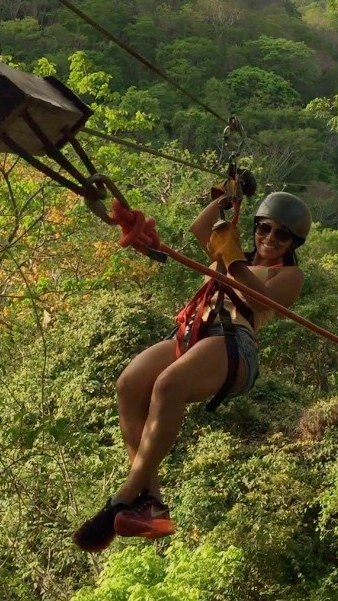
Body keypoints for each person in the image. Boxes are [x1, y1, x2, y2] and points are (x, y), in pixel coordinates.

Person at [72, 190, 312, 552]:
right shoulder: (228, 254)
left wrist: (232, 259)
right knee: (129, 384)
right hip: (192, 332)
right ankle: (151, 501)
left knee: (168, 385)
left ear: (293, 243)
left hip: (233, 342)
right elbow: (200, 226)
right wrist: (228, 196)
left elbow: (258, 298)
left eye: (282, 234)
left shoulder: (290, 274)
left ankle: (123, 496)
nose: (270, 238)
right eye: (265, 228)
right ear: (256, 226)